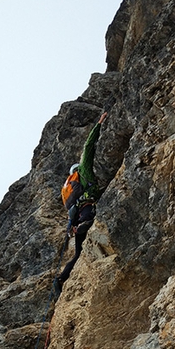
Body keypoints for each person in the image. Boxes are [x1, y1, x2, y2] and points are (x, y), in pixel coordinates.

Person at [55, 112, 107, 294]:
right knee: (89, 220)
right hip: (86, 210)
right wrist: (98, 125)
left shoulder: (68, 188)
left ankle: (61, 278)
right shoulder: (84, 172)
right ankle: (83, 226)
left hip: (75, 216)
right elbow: (88, 147)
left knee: (78, 254)